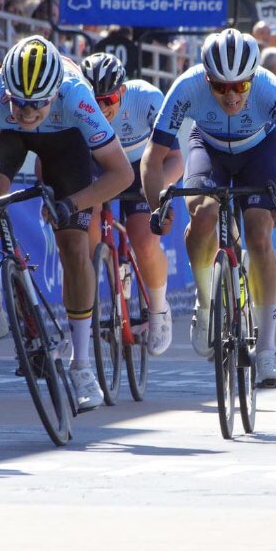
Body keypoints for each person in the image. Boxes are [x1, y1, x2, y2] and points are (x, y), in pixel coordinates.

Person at [0, 36, 133, 412]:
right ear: (7, 91)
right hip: (8, 137)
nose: (26, 111)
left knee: (74, 245)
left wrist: (72, 204)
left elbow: (122, 174)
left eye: (36, 103)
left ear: (54, 93)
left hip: (65, 140)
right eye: (19, 102)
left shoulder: (77, 97)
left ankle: (81, 365)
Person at [141, 29, 276, 386]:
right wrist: (156, 204)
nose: (231, 95)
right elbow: (152, 157)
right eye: (220, 86)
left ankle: (267, 348)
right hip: (208, 148)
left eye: (240, 86)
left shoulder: (271, 90)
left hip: (259, 151)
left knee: (259, 234)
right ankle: (205, 302)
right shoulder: (187, 86)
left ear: (253, 78)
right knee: (203, 214)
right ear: (206, 78)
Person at [79, 53, 183, 355]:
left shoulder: (147, 98)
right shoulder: (75, 103)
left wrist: (157, 193)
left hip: (143, 169)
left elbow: (175, 160)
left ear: (122, 91)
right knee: (88, 222)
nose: (102, 108)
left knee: (144, 239)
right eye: (94, 101)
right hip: (100, 167)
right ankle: (106, 287)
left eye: (109, 99)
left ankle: (159, 310)